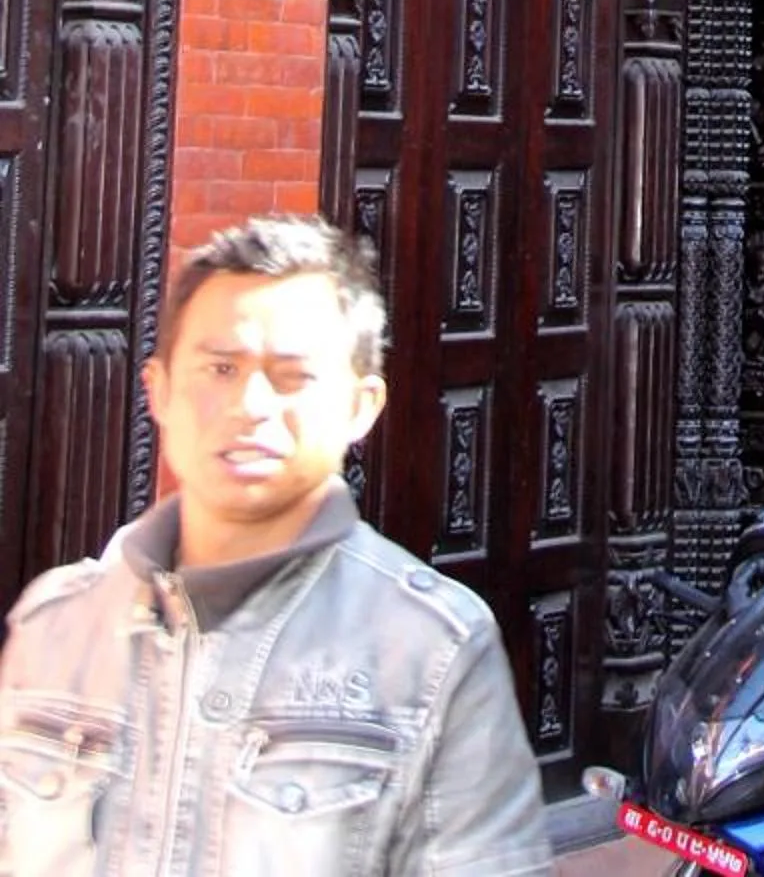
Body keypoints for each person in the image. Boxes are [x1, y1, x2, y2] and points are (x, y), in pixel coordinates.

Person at [0, 212, 552, 873]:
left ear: (361, 406)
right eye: (221, 368)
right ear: (161, 390)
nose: (251, 405)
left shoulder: (433, 650)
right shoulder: (55, 625)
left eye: (292, 376)